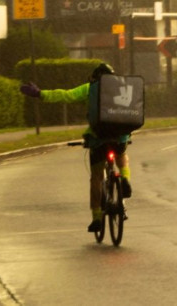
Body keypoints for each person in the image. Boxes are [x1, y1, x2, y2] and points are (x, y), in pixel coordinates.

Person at [20, 63, 132, 232]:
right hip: (119, 136)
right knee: (121, 153)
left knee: (96, 178)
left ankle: (96, 218)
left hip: (98, 138)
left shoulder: (90, 88)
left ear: (95, 78)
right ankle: (124, 178)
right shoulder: (122, 88)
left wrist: (40, 94)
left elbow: (66, 95)